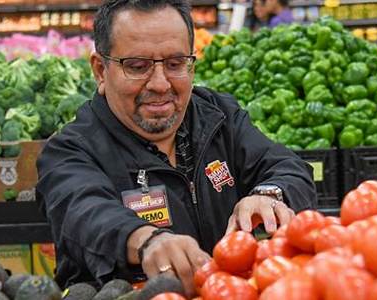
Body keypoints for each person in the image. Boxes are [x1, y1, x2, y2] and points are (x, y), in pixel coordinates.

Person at [36, 0, 316, 295]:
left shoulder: (218, 116)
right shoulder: (70, 150)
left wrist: (268, 194)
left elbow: (287, 167)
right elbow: (85, 210)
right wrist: (146, 241)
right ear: (100, 70)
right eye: (137, 66)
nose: (160, 83)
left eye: (175, 64)